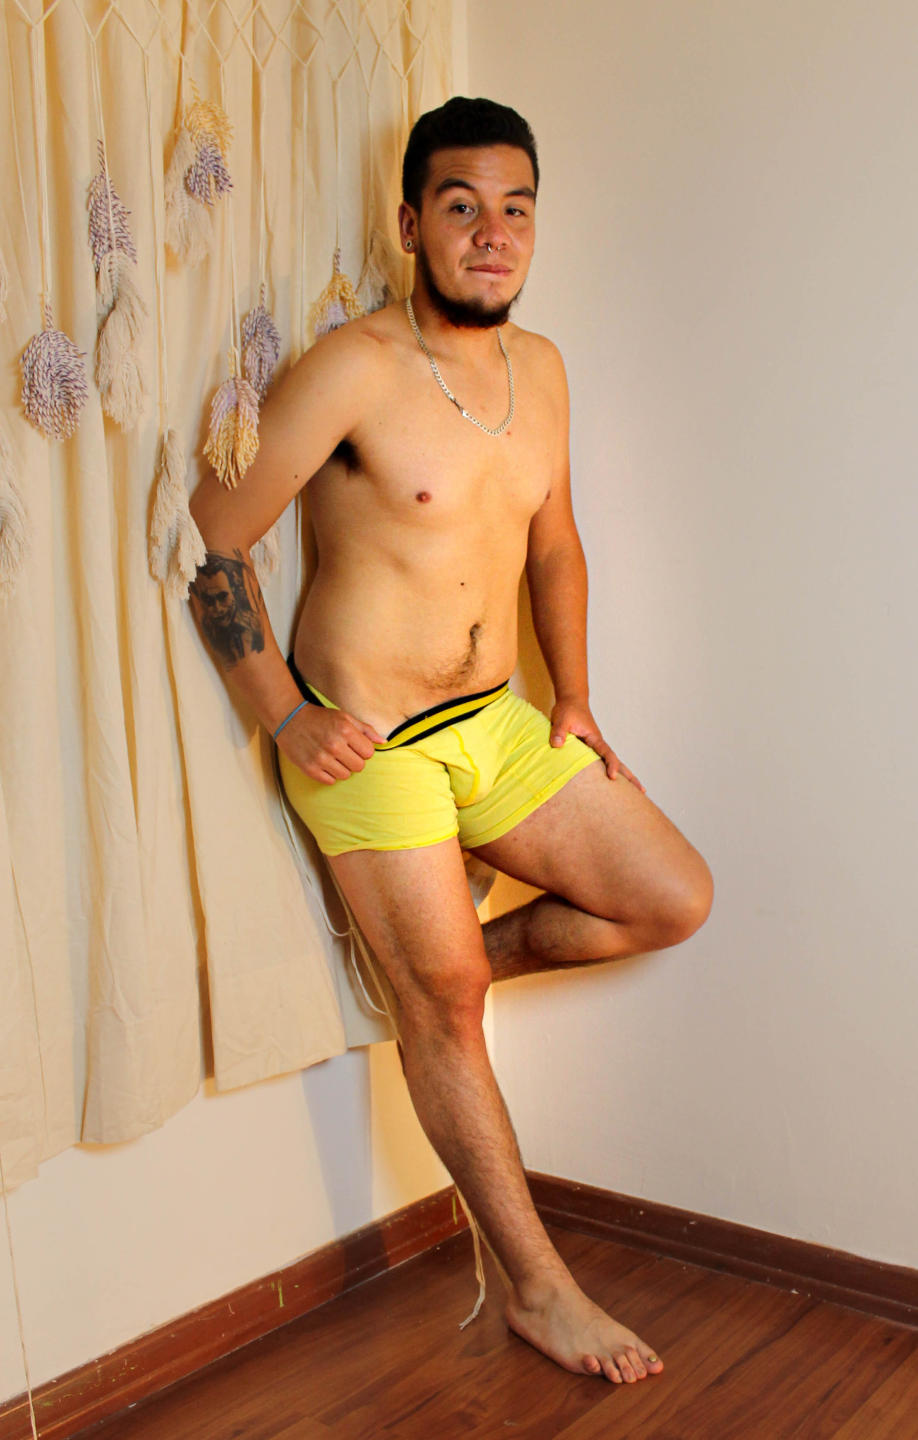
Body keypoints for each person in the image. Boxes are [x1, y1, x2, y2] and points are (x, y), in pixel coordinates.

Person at [189, 96, 713, 1386]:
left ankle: (442, 980)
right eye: (463, 206)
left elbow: (556, 544)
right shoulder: (355, 368)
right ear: (411, 221)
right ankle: (539, 1288)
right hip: (372, 744)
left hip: (499, 720)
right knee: (450, 1009)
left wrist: (574, 698)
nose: (492, 233)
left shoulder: (543, 371)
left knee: (671, 897)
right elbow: (211, 533)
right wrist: (285, 712)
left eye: (514, 208)